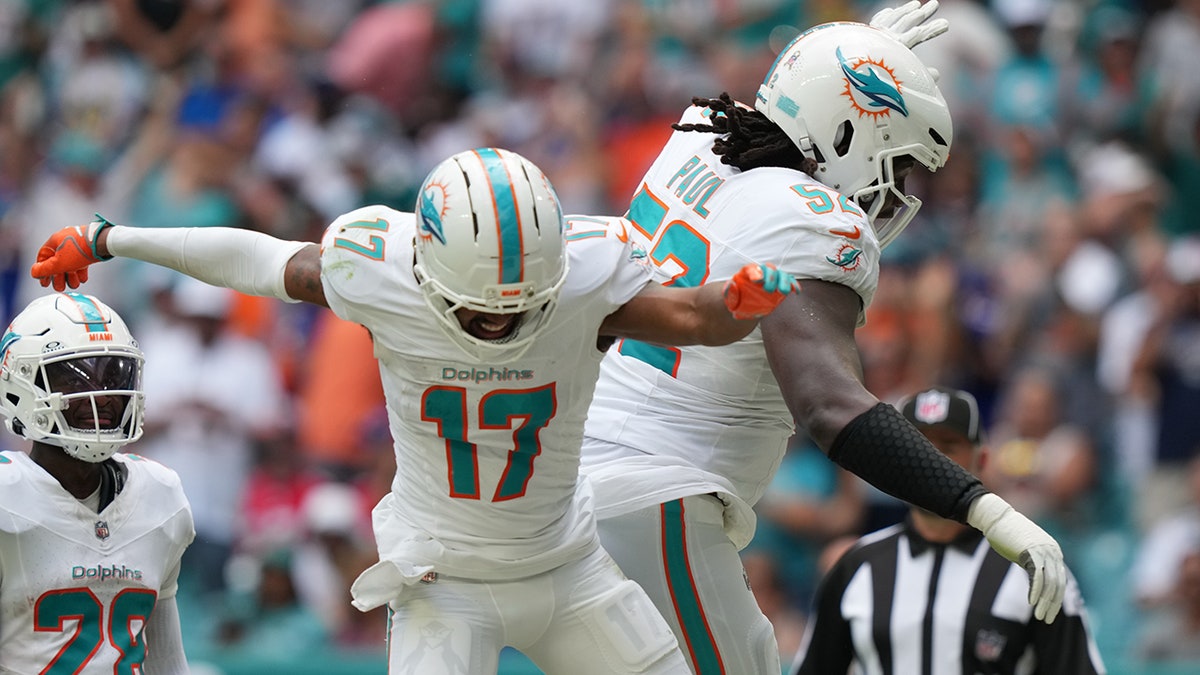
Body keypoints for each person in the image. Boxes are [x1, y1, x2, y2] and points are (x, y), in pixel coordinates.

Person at [29, 147, 801, 674]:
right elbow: (260, 259)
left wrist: (737, 306)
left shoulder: (587, 274)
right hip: (445, 580)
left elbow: (696, 317)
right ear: (425, 266)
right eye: (477, 311)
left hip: (572, 564)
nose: (498, 325)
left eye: (519, 309)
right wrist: (110, 236)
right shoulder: (379, 267)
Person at [577, 5, 1067, 673]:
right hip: (652, 494)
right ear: (846, 132)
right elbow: (829, 405)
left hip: (572, 478)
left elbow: (784, 119)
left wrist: (854, 56)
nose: (892, 193)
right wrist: (980, 506)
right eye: (896, 163)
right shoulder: (815, 222)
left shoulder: (699, 136)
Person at [790, 386, 1106, 675]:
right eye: (919, 447)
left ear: (981, 458)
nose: (932, 462)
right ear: (892, 462)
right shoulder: (856, 566)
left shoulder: (1030, 568)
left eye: (949, 445)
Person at [0, 291, 195, 673]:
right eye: (75, 378)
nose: (103, 396)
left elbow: (167, 662)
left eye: (114, 374)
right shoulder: (7, 499)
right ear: (24, 385)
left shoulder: (160, 495)